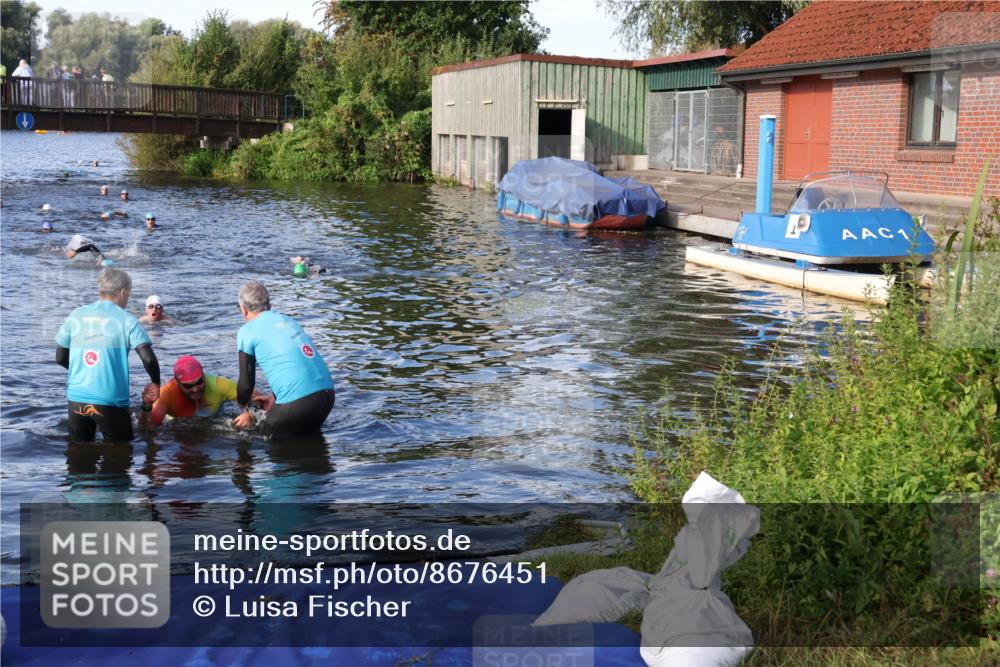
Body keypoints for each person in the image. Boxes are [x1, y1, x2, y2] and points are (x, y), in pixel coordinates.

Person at [55, 268, 161, 442]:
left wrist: (85, 371)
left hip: (76, 398)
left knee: (79, 458)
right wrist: (155, 382)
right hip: (111, 401)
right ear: (123, 291)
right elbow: (148, 358)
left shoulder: (76, 315)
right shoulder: (127, 320)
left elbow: (59, 357)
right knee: (119, 457)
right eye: (129, 293)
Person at [234, 281, 335, 437]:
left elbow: (246, 385)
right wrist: (275, 398)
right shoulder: (289, 321)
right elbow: (295, 362)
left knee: (262, 440)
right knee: (309, 445)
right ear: (270, 305)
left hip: (299, 402)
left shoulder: (247, 331)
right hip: (327, 396)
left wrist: (246, 409)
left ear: (244, 310)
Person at [140, 355, 271, 428]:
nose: (195, 388)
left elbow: (259, 399)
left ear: (203, 375)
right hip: (178, 428)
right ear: (177, 382)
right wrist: (146, 406)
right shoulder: (167, 394)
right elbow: (147, 429)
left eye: (199, 382)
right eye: (188, 386)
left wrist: (251, 415)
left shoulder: (218, 384)